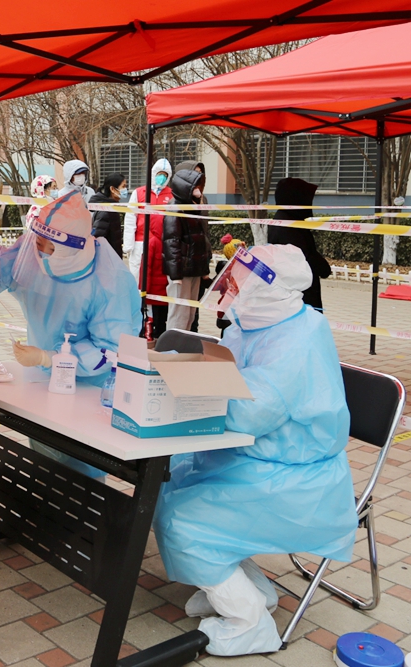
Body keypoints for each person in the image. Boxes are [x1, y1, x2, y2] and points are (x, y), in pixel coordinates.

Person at [154, 244, 356, 657]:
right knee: (163, 484)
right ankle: (248, 590)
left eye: (242, 279)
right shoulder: (253, 323)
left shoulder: (298, 339)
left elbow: (249, 411)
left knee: (182, 520)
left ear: (269, 288)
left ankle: (250, 623)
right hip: (249, 457)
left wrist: (181, 388)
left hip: (295, 477)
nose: (232, 285)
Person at [0, 191, 140, 478]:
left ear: (72, 248)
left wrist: (52, 357)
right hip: (43, 376)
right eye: (38, 243)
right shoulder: (31, 249)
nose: (40, 253)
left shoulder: (110, 281)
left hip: (91, 388)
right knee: (44, 454)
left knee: (82, 468)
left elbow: (109, 349)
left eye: (49, 248)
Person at [268, 178, 331, 311]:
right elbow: (304, 255)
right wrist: (322, 267)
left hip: (294, 291)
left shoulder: (285, 219)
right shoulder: (289, 225)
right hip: (299, 293)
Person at [162, 168, 211, 332]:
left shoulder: (193, 206)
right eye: (195, 186)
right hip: (182, 271)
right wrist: (175, 274)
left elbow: (201, 239)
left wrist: (204, 269)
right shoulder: (175, 209)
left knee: (189, 314)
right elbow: (171, 242)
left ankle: (182, 346)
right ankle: (171, 348)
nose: (198, 190)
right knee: (179, 314)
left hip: (194, 269)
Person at [123, 159, 172, 279]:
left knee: (157, 277)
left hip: (161, 244)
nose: (162, 178)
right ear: (153, 173)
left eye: (165, 175)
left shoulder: (171, 195)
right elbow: (130, 218)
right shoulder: (139, 193)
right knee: (137, 275)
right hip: (141, 242)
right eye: (159, 174)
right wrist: (128, 244)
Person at [89, 173, 127, 257]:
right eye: (123, 186)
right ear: (113, 189)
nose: (125, 190)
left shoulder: (112, 207)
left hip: (112, 257)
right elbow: (97, 237)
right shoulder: (106, 210)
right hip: (107, 259)